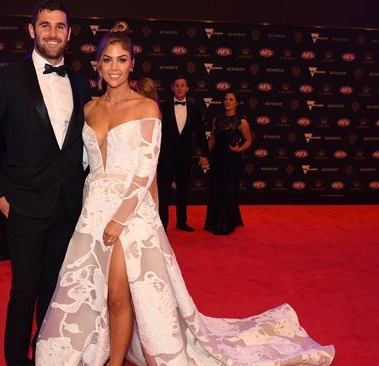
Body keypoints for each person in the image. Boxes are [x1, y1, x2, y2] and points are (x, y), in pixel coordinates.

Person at [36, 25, 335, 366]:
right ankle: (97, 351)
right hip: (93, 209)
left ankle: (114, 362)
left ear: (133, 63)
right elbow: (81, 163)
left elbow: (146, 170)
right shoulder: (88, 109)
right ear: (97, 65)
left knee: (119, 293)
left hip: (128, 213)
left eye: (122, 59)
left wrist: (120, 219)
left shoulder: (147, 107)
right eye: (107, 60)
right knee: (94, 292)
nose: (115, 67)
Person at [0, 0, 91, 364]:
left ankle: (46, 352)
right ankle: (15, 359)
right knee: (23, 289)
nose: (52, 33)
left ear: (69, 34)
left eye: (59, 26)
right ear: (31, 30)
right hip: (22, 203)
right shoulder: (5, 78)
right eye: (45, 25)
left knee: (53, 289)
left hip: (68, 204)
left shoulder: (81, 83)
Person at [157, 76, 209, 231]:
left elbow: (200, 133)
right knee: (163, 193)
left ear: (187, 88)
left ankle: (181, 222)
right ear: (172, 88)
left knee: (183, 191)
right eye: (177, 86)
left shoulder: (194, 109)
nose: (179, 88)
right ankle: (162, 224)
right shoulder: (163, 108)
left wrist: (205, 154)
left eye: (182, 86)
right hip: (165, 157)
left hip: (185, 157)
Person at [204, 91, 251, 235]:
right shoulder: (217, 120)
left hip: (232, 160)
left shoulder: (241, 121)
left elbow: (249, 141)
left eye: (231, 99)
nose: (228, 102)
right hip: (217, 159)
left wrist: (239, 149)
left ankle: (226, 224)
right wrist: (204, 154)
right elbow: (212, 139)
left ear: (236, 103)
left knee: (229, 191)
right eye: (226, 99)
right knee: (216, 190)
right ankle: (214, 221)